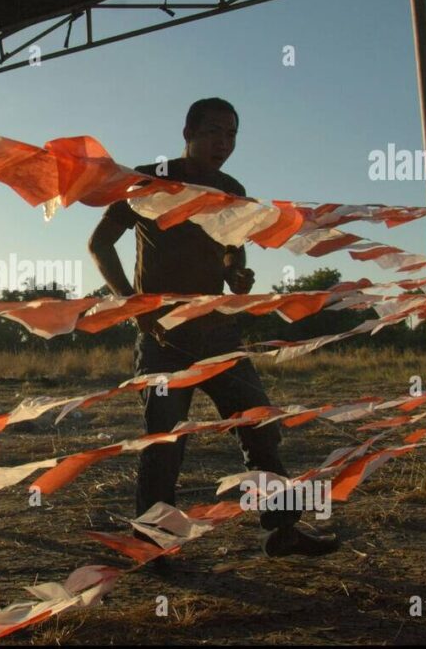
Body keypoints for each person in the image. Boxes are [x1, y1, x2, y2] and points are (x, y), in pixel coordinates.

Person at [87, 97, 339, 558]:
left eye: (231, 134)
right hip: (163, 336)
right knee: (165, 443)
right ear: (188, 133)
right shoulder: (150, 178)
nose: (223, 143)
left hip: (220, 334)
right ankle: (154, 544)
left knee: (260, 426)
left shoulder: (231, 187)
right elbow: (100, 243)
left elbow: (233, 245)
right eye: (213, 133)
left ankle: (282, 531)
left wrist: (234, 272)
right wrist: (132, 304)